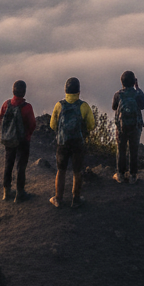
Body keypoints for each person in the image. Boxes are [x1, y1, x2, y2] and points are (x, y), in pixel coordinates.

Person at [49, 77, 95, 208]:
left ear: (65, 91)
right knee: (77, 171)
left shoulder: (59, 105)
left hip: (62, 143)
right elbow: (91, 125)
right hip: (77, 143)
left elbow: (53, 125)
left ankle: (58, 198)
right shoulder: (84, 106)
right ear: (78, 92)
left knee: (61, 170)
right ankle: (76, 199)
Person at [0, 79, 36, 203]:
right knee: (21, 166)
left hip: (9, 139)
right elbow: (32, 125)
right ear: (24, 92)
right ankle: (20, 193)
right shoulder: (27, 107)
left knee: (8, 164)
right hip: (22, 141)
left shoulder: (6, 104)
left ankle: (6, 192)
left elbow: (1, 121)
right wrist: (27, 135)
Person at [112, 70, 144, 184]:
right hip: (135, 126)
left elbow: (114, 107)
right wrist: (138, 88)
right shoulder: (137, 94)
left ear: (122, 82)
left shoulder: (118, 95)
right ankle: (133, 175)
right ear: (134, 82)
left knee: (121, 150)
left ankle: (120, 175)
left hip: (121, 127)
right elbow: (143, 106)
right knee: (134, 149)